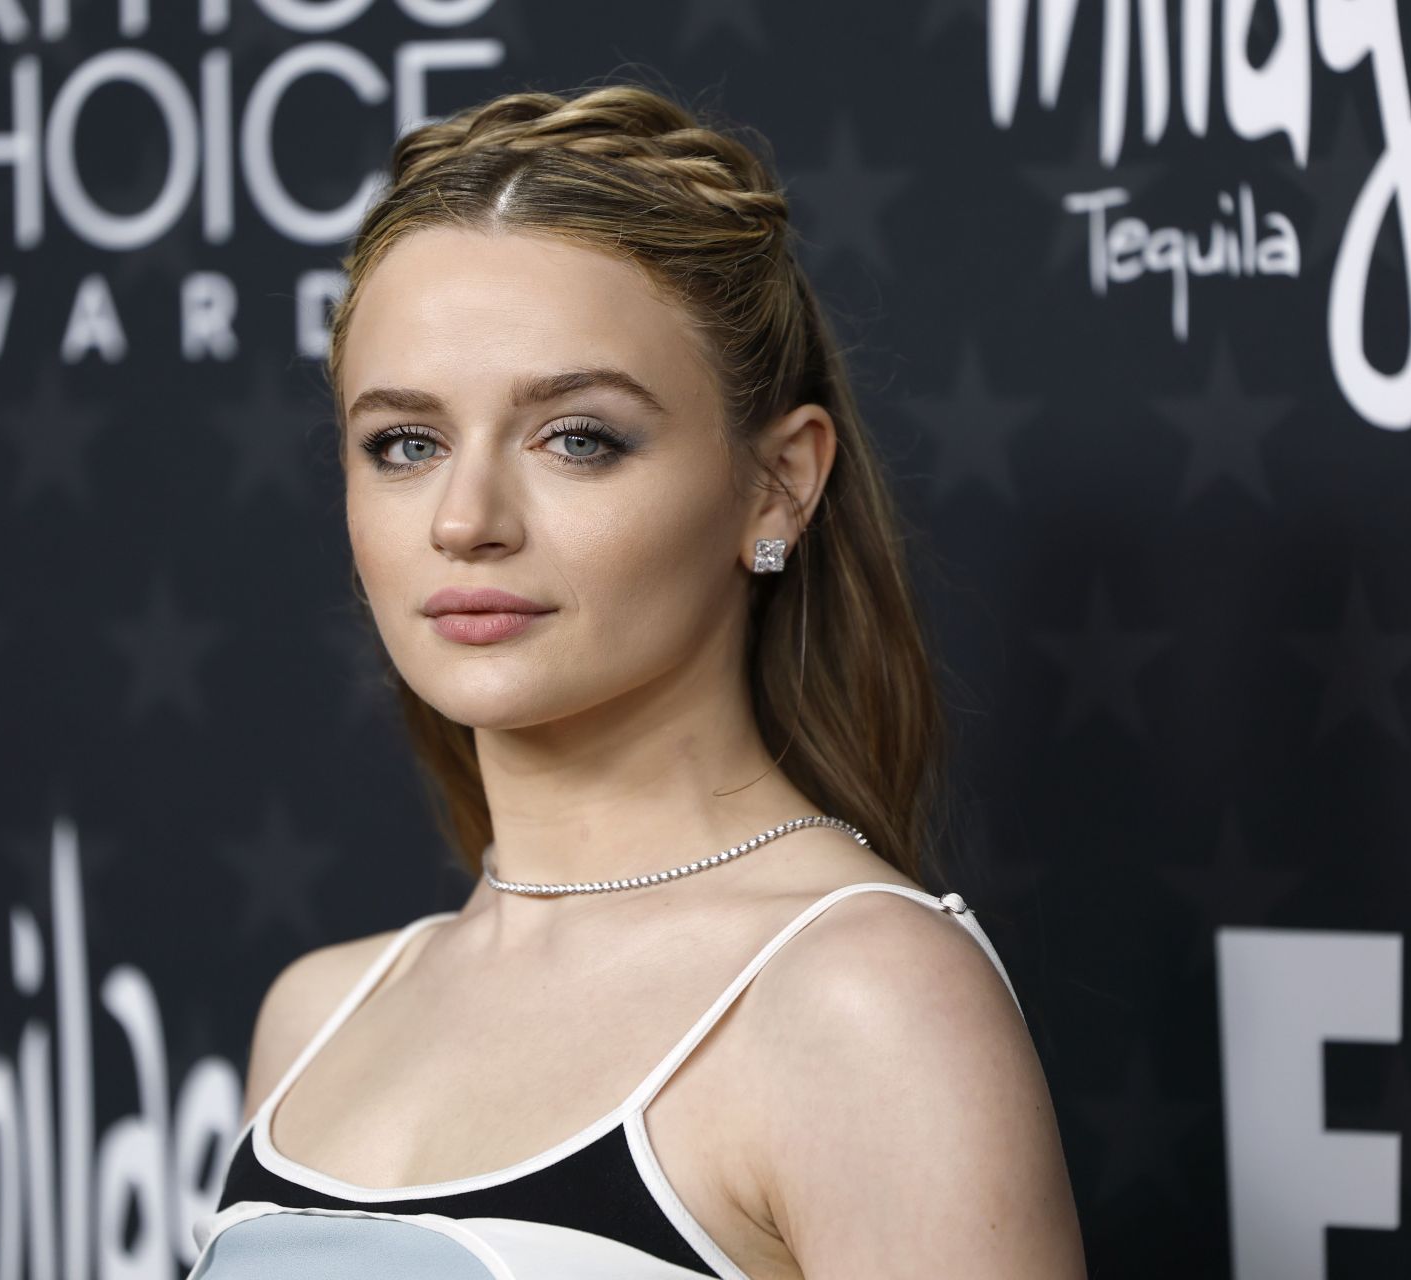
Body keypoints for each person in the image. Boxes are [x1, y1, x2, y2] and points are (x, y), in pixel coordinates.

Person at [188, 80, 1088, 1278]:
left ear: (779, 484)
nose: (465, 520)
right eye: (405, 443)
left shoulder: (863, 1003)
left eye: (578, 436)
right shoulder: (316, 1016)